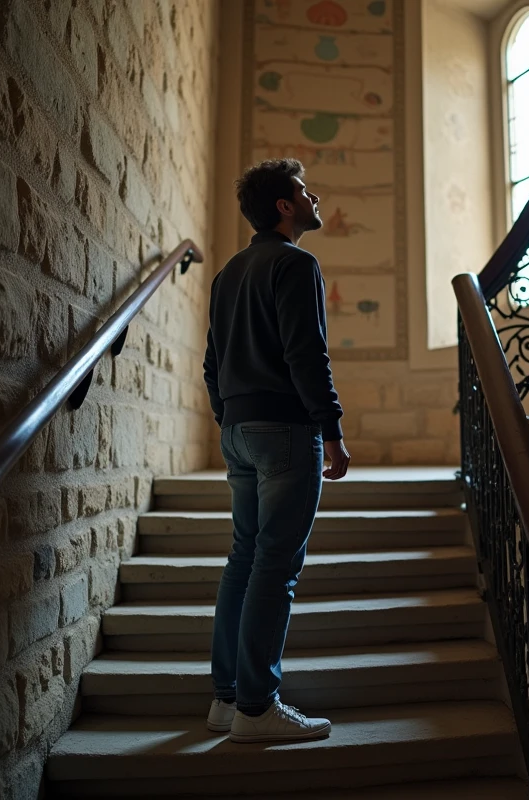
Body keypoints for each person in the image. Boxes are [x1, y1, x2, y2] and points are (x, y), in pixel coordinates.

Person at [202, 158, 351, 743]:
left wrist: (228, 418)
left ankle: (226, 699)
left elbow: (213, 364)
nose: (315, 198)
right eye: (305, 191)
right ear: (285, 206)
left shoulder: (229, 273)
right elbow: (306, 353)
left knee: (244, 558)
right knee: (274, 566)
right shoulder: (295, 264)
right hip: (286, 430)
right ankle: (258, 709)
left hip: (238, 430)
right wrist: (331, 428)